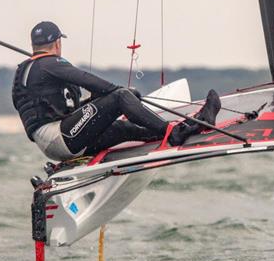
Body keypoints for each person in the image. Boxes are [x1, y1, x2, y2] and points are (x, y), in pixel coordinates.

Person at [12, 21, 220, 161]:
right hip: (61, 138)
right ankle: (172, 133)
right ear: (57, 43)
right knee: (122, 96)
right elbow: (86, 79)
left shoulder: (26, 71)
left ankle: (185, 129)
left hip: (55, 144)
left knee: (124, 129)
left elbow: (55, 111)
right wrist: (119, 94)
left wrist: (100, 101)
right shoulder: (50, 63)